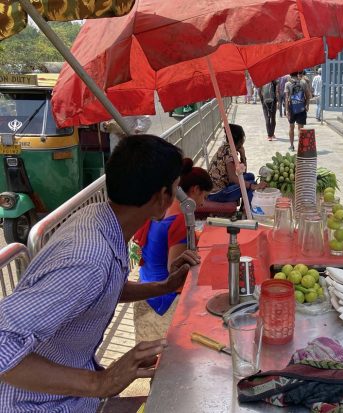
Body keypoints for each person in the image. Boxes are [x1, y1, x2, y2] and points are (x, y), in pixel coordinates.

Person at [0, 135, 199, 411]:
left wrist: (164, 286)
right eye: (177, 190)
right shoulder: (88, 258)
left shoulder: (100, 218)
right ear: (162, 197)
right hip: (37, 405)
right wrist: (100, 383)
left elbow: (100, 289)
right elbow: (3, 344)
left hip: (74, 398)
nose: (178, 199)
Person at [133, 159, 213, 343]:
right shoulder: (180, 220)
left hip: (146, 281)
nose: (203, 203)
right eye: (204, 196)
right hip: (161, 299)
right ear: (195, 190)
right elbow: (174, 268)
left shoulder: (163, 209)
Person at [207, 123, 267, 203]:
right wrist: (253, 186)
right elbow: (233, 178)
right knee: (251, 184)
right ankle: (247, 210)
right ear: (239, 139)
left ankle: (245, 207)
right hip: (217, 193)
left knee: (250, 176)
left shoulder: (226, 147)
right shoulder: (229, 152)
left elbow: (242, 173)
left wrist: (243, 155)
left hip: (223, 185)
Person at [285, 72, 312, 151]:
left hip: (292, 108)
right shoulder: (303, 82)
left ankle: (291, 145)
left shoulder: (288, 84)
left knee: (291, 126)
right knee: (301, 129)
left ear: (290, 74)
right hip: (301, 107)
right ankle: (300, 147)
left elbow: (287, 98)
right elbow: (308, 95)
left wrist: (286, 110)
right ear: (297, 74)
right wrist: (307, 105)